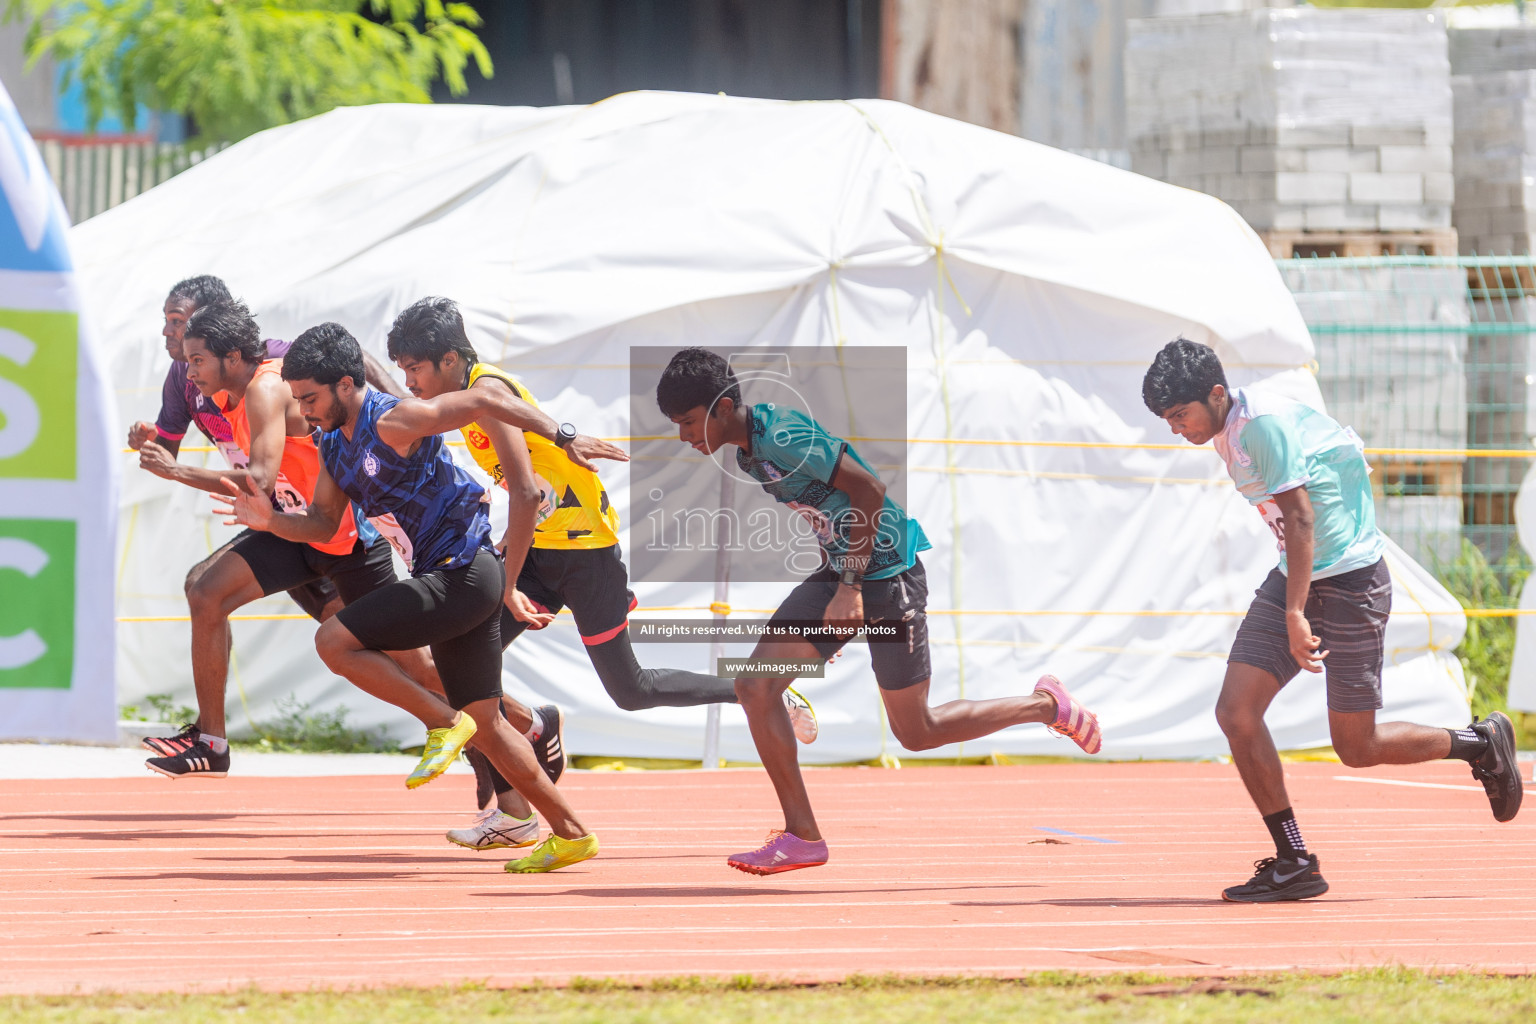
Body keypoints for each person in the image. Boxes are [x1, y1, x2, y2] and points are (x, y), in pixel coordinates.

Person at [384, 298, 818, 851]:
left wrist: (508, 577)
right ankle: (516, 804)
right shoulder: (464, 397)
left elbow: (528, 491)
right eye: (400, 370)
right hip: (542, 551)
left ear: (449, 359)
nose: (409, 381)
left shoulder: (486, 394)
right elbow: (533, 492)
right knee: (460, 666)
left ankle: (760, 693)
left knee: (630, 691)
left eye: (414, 368)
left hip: (586, 557)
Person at [655, 347, 1102, 875]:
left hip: (888, 576)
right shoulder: (749, 451)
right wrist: (832, 618)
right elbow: (833, 513)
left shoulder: (782, 436)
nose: (683, 435)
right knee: (756, 684)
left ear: (725, 406)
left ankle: (1046, 706)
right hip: (844, 571)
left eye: (687, 422)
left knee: (917, 732)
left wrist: (850, 590)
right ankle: (803, 837)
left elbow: (870, 489)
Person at [217, 321, 627, 872]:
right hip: (458, 578)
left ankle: (441, 723)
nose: (304, 412)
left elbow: (487, 397)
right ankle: (572, 833)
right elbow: (319, 524)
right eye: (297, 400)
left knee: (334, 641)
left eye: (310, 399)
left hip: (464, 571)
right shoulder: (335, 447)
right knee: (490, 724)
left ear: (345, 384)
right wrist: (273, 520)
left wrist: (564, 435)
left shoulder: (395, 419)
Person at [1142, 338, 1522, 903]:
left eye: (1179, 415)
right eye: (1167, 420)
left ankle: (1478, 743)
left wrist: (1296, 611)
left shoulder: (1260, 426)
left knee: (1357, 746)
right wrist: (1294, 597)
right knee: (1236, 713)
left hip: (1349, 583)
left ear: (1217, 394)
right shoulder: (1229, 428)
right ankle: (1294, 860)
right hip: (1299, 576)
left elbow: (1300, 518)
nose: (1176, 429)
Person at [138, 299, 447, 783]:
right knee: (205, 589)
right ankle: (212, 743)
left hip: (344, 536)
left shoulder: (264, 385)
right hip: (295, 530)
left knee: (418, 665)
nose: (188, 369)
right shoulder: (220, 393)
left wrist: (177, 470)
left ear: (233, 356)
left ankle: (515, 726)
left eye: (196, 358)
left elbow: (259, 477)